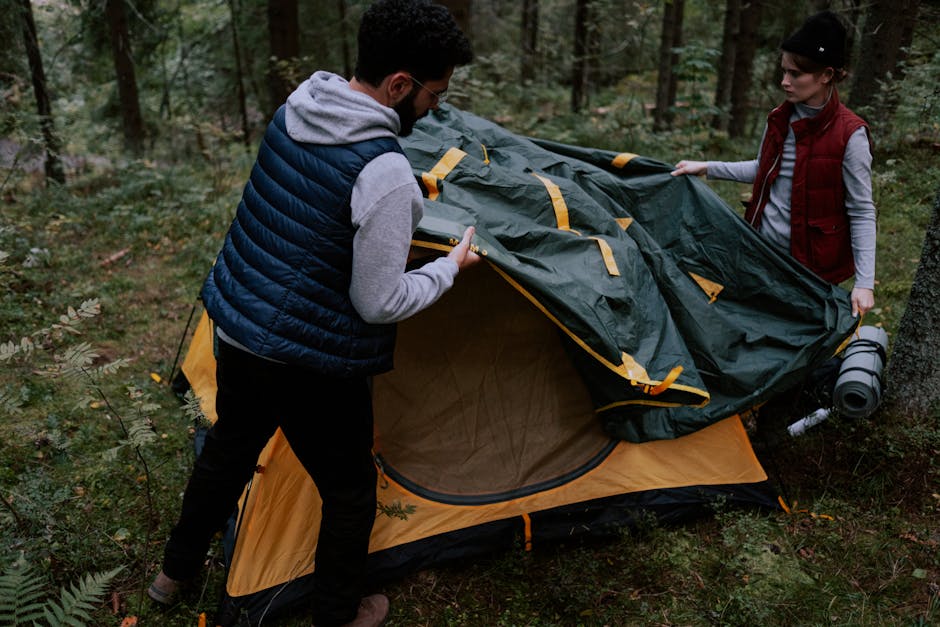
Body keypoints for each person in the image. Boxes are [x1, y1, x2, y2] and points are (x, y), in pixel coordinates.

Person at [148, 2, 475, 625]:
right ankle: (339, 614)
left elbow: (302, 218)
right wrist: (447, 268)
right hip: (310, 364)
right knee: (349, 492)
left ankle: (172, 576)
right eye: (435, 93)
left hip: (240, 327)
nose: (435, 107)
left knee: (227, 453)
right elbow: (377, 301)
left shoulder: (302, 103)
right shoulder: (384, 173)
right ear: (400, 85)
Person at [672, 10, 876, 319]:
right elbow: (763, 168)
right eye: (784, 71)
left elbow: (861, 211)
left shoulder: (851, 135)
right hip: (762, 256)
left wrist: (864, 283)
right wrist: (706, 167)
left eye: (795, 74)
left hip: (811, 271)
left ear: (826, 75)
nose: (785, 81)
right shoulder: (779, 118)